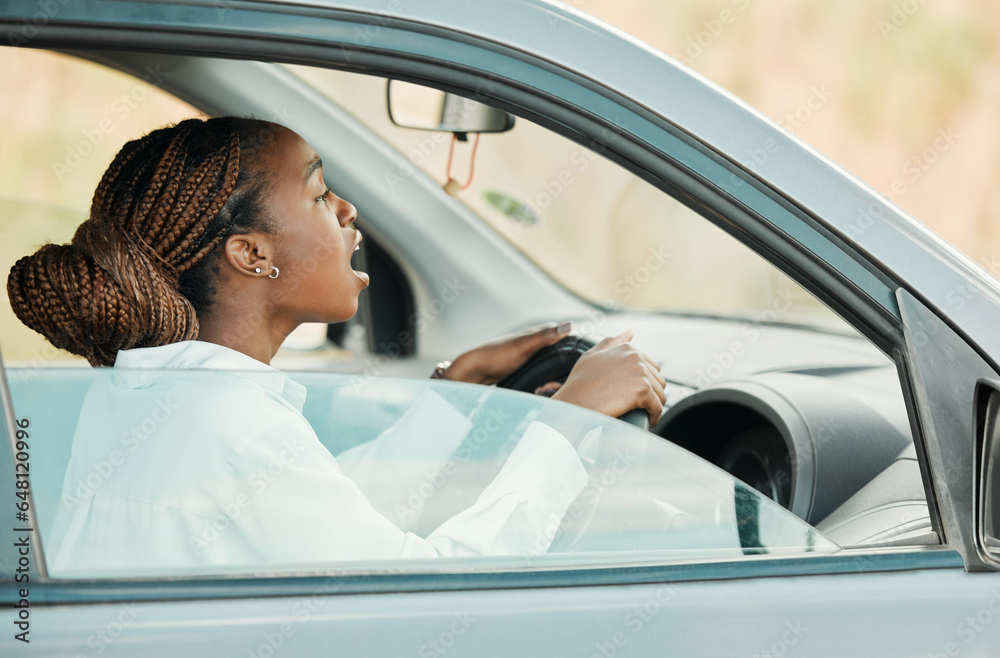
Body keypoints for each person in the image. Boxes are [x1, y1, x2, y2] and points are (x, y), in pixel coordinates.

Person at [7, 117, 666, 575]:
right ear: (252, 254)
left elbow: (321, 523)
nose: (348, 210)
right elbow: (424, 598)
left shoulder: (152, 397)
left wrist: (451, 396)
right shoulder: (226, 425)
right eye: (320, 193)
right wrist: (569, 421)